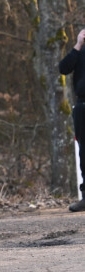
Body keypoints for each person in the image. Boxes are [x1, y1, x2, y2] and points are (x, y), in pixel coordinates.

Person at [60, 29, 85, 212]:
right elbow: (63, 68)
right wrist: (78, 45)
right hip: (82, 105)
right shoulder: (80, 51)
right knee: (84, 153)